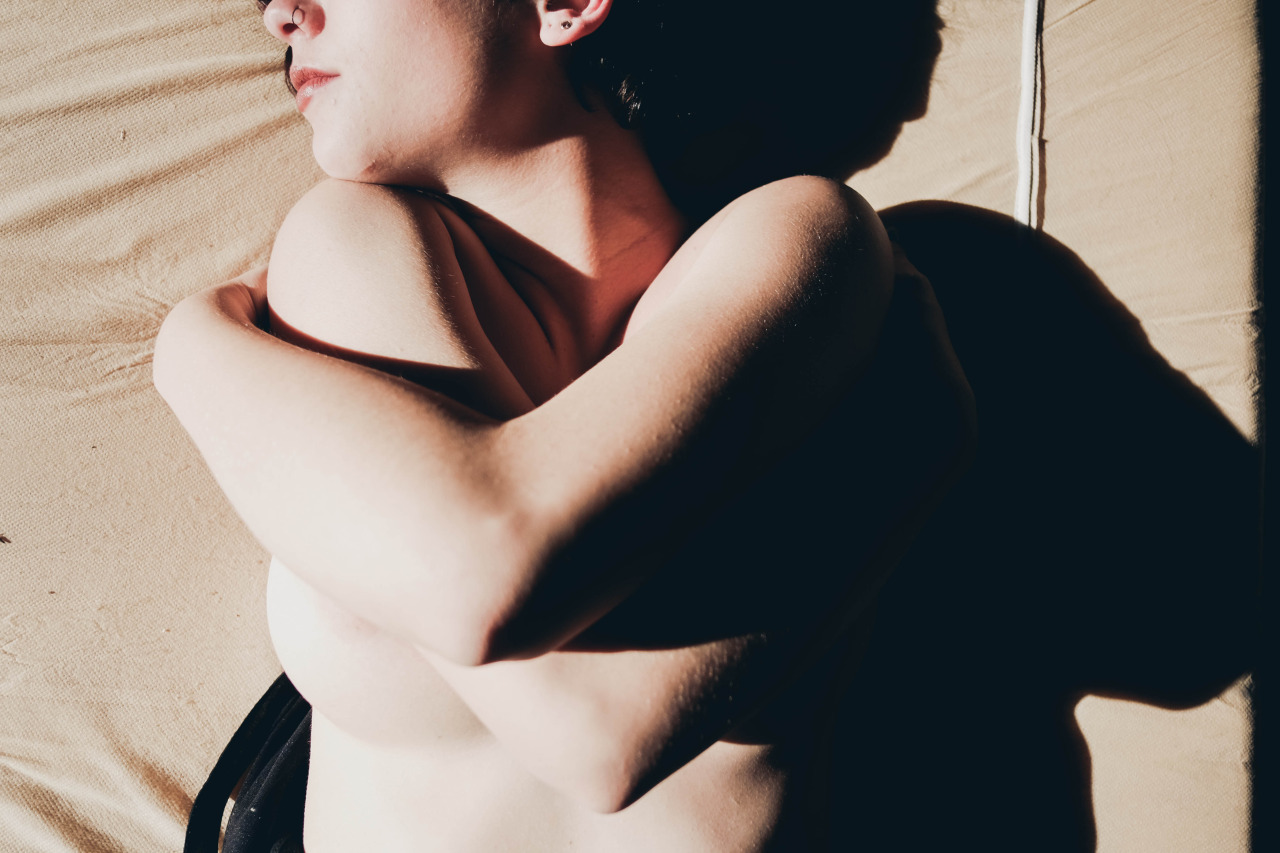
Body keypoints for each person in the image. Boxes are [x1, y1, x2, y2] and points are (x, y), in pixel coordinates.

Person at [154, 0, 973, 850]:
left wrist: (194, 347)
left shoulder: (800, 236)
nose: (281, 14)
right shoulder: (349, 238)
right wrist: (902, 463)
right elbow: (565, 684)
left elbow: (588, 724)